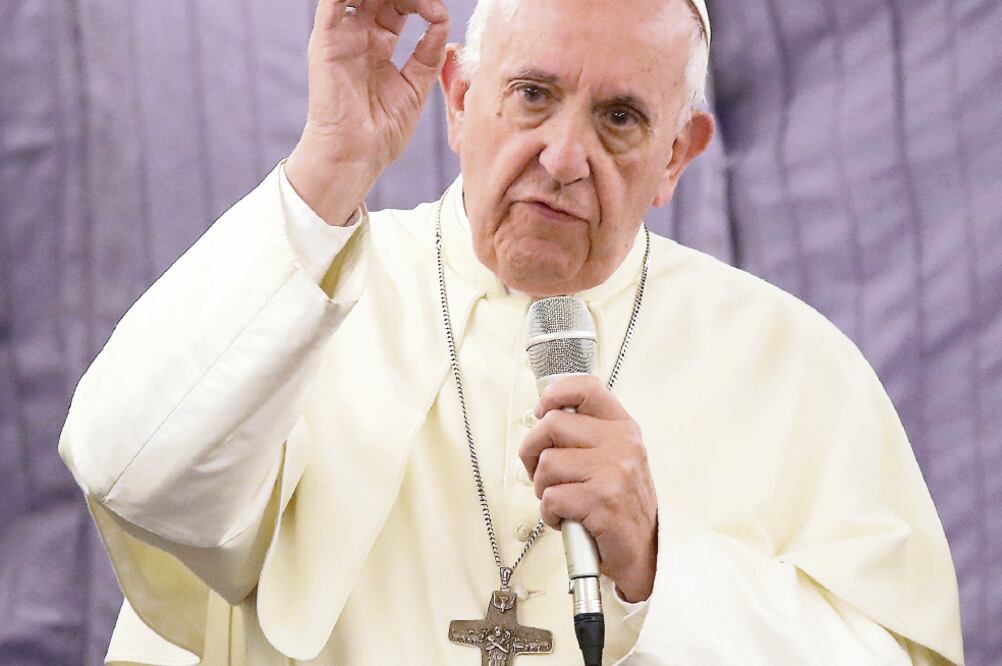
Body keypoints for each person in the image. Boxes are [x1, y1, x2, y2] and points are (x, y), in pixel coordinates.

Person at [59, 0, 964, 663]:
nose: (565, 159)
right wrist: (327, 171)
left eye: (620, 118)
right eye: (533, 95)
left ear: (676, 156)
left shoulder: (794, 366)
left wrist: (661, 561)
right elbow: (129, 472)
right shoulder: (295, 286)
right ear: (457, 99)